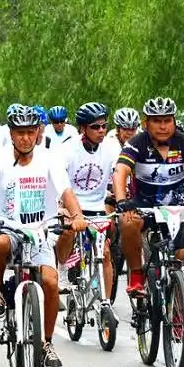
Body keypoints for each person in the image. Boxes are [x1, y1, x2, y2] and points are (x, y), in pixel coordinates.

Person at [0, 105, 88, 367]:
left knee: (51, 281)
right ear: (11, 133)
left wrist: (77, 215)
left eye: (30, 132)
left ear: (37, 132)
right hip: (6, 227)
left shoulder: (49, 160)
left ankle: (46, 343)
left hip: (40, 231)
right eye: (19, 132)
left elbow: (66, 192)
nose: (24, 138)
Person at [111, 97, 184, 309]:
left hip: (176, 209)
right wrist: (121, 201)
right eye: (156, 121)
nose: (163, 126)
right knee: (127, 222)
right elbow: (121, 171)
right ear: (146, 123)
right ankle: (136, 275)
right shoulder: (137, 143)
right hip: (144, 207)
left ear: (173, 121)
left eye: (167, 120)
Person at [56, 102, 121, 300]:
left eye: (104, 126)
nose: (101, 131)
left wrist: (121, 198)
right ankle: (63, 268)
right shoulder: (67, 149)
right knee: (68, 232)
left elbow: (118, 175)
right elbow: (58, 181)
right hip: (71, 207)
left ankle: (106, 303)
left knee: (107, 253)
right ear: (82, 128)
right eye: (95, 127)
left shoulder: (111, 148)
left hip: (97, 209)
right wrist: (62, 208)